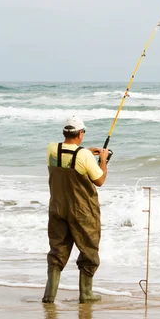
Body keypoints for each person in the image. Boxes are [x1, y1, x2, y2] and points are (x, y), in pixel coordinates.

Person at [42, 115, 109, 304]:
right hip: (82, 211)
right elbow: (100, 180)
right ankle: (86, 294)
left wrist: (86, 152)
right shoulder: (84, 156)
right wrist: (103, 160)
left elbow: (69, 157)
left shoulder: (51, 149)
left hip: (57, 208)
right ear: (80, 134)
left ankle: (49, 296)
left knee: (57, 250)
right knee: (89, 249)